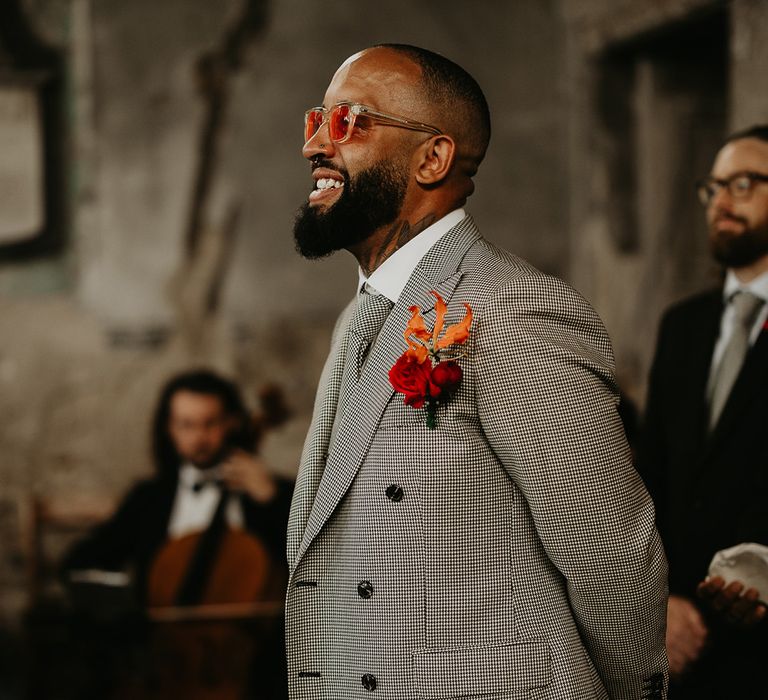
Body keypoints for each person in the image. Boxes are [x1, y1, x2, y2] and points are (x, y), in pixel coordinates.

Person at [286, 44, 668, 700]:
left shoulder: (515, 310)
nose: (316, 145)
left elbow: (610, 558)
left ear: (432, 159)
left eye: (349, 121)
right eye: (315, 121)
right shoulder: (358, 320)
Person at [640, 125, 768, 699]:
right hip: (681, 635)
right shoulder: (683, 325)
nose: (722, 200)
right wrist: (660, 600)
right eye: (713, 187)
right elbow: (652, 477)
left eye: (744, 183)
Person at [63, 369, 293, 600]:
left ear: (232, 423)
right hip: (159, 634)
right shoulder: (147, 498)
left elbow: (311, 566)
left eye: (210, 423)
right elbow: (85, 560)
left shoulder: (271, 493)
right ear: (169, 428)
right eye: (186, 424)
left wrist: (272, 500)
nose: (199, 437)